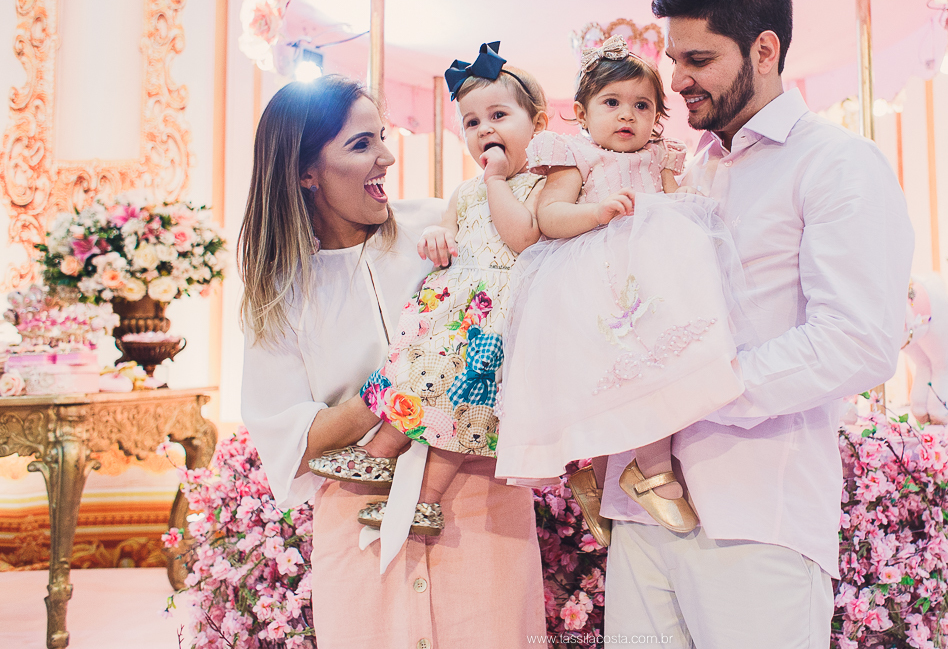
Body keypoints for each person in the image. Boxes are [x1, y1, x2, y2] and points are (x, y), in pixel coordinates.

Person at [600, 0, 915, 647]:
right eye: (673, 58)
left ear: (764, 48)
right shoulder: (682, 175)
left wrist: (697, 388)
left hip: (758, 514)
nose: (675, 80)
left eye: (698, 59)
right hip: (644, 508)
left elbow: (859, 338)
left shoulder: (836, 164)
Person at [239, 74, 546, 649]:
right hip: (360, 521)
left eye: (381, 137)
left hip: (482, 508)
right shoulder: (278, 294)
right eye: (360, 145)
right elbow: (293, 441)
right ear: (306, 172)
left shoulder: (445, 225)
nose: (386, 155)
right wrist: (393, 389)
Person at [496, 35, 748, 543]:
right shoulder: (578, 157)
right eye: (612, 103)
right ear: (584, 115)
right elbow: (549, 216)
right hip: (594, 279)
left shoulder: (660, 158)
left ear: (657, 117)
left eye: (641, 105)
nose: (627, 115)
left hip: (650, 279)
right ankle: (642, 471)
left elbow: (680, 205)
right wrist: (598, 212)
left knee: (660, 363)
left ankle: (626, 469)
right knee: (613, 373)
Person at [309, 43, 549, 536]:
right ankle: (382, 453)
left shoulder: (544, 183)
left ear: (539, 124)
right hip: (457, 311)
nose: (485, 130)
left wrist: (499, 179)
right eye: (471, 122)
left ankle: (424, 495)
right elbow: (452, 232)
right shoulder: (464, 192)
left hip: (503, 315)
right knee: (422, 370)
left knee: (463, 405)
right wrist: (441, 237)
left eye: (498, 115)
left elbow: (522, 237)